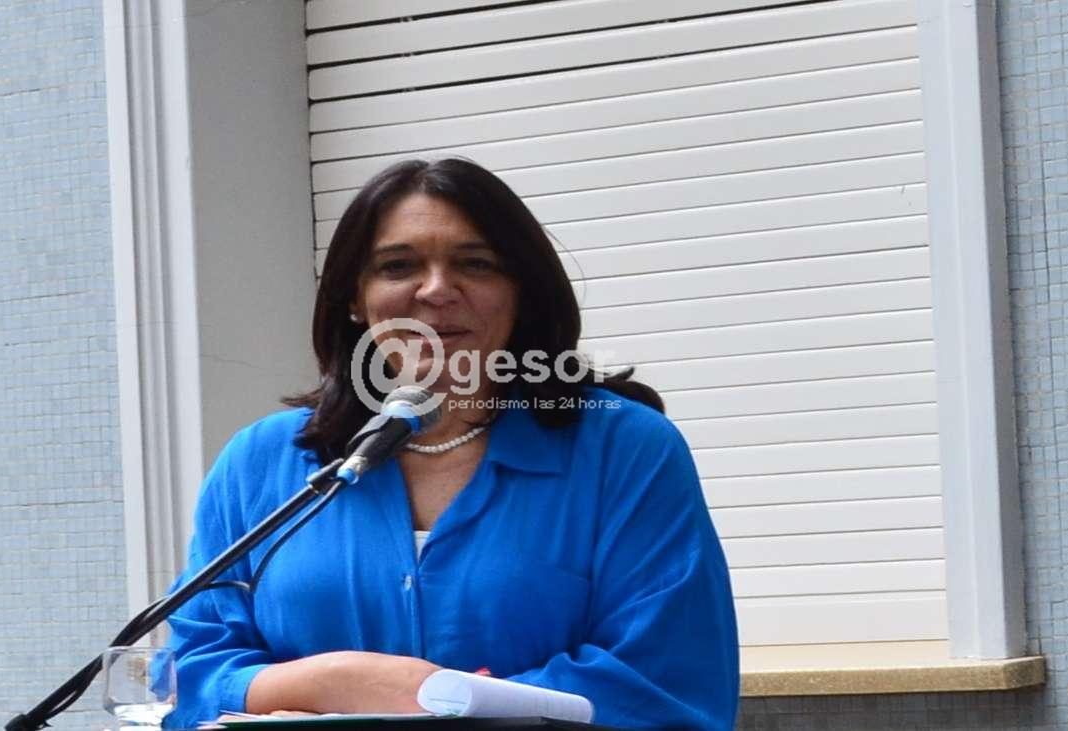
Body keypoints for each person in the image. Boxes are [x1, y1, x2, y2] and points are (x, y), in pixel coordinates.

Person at [163, 158, 740, 730]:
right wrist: (333, 681)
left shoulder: (624, 450)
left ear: (521, 293)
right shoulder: (259, 461)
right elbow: (191, 672)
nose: (438, 290)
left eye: (475, 264)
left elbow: (663, 681)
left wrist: (430, 701)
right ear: (354, 298)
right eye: (398, 266)